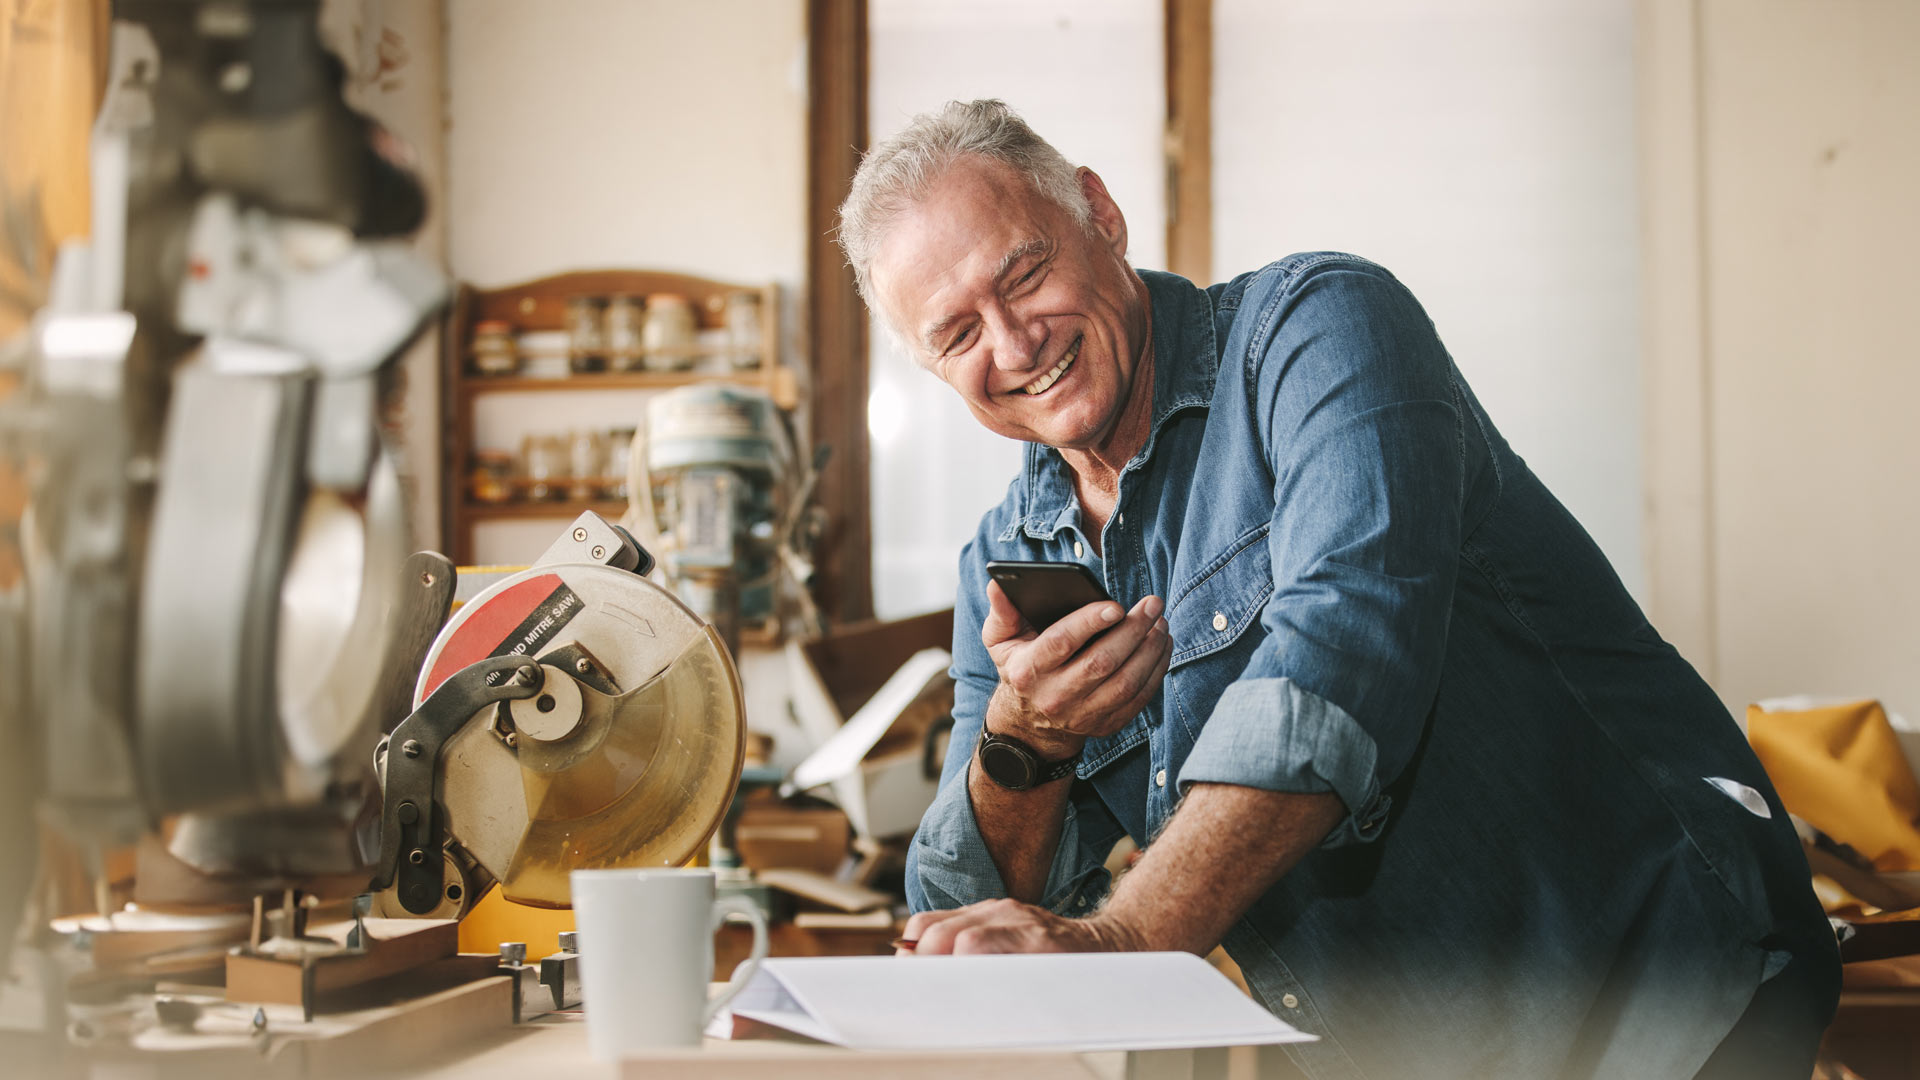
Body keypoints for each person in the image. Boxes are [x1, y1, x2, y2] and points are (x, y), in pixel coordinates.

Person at [837, 99, 1838, 1080]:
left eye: (1024, 274)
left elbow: (1342, 659)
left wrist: (1121, 943)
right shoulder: (1004, 557)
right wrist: (1028, 741)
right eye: (958, 334)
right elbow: (960, 908)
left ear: (1098, 212)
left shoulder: (1316, 328)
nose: (1013, 347)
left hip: (1658, 988)